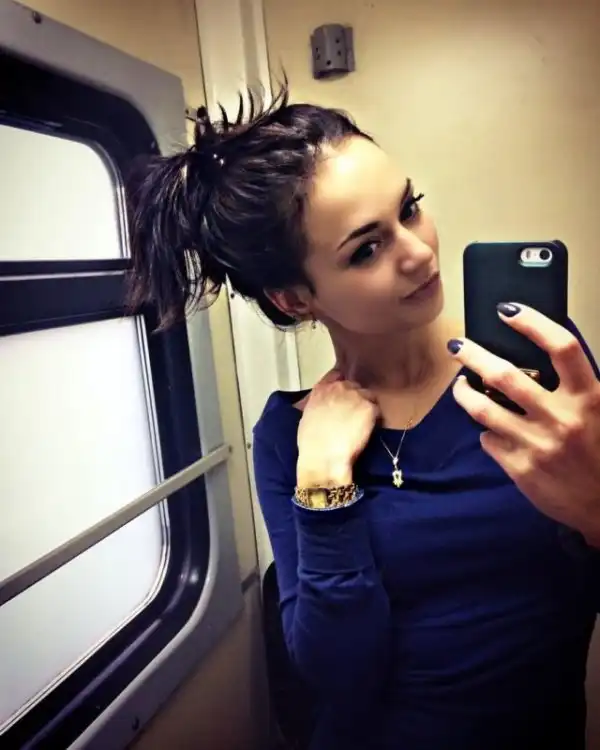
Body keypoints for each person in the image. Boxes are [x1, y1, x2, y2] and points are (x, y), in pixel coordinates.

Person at [127, 83, 600, 750]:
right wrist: (323, 482)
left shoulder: (537, 369)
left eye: (409, 208)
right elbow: (338, 676)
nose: (420, 252)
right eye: (366, 249)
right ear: (295, 299)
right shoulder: (289, 437)